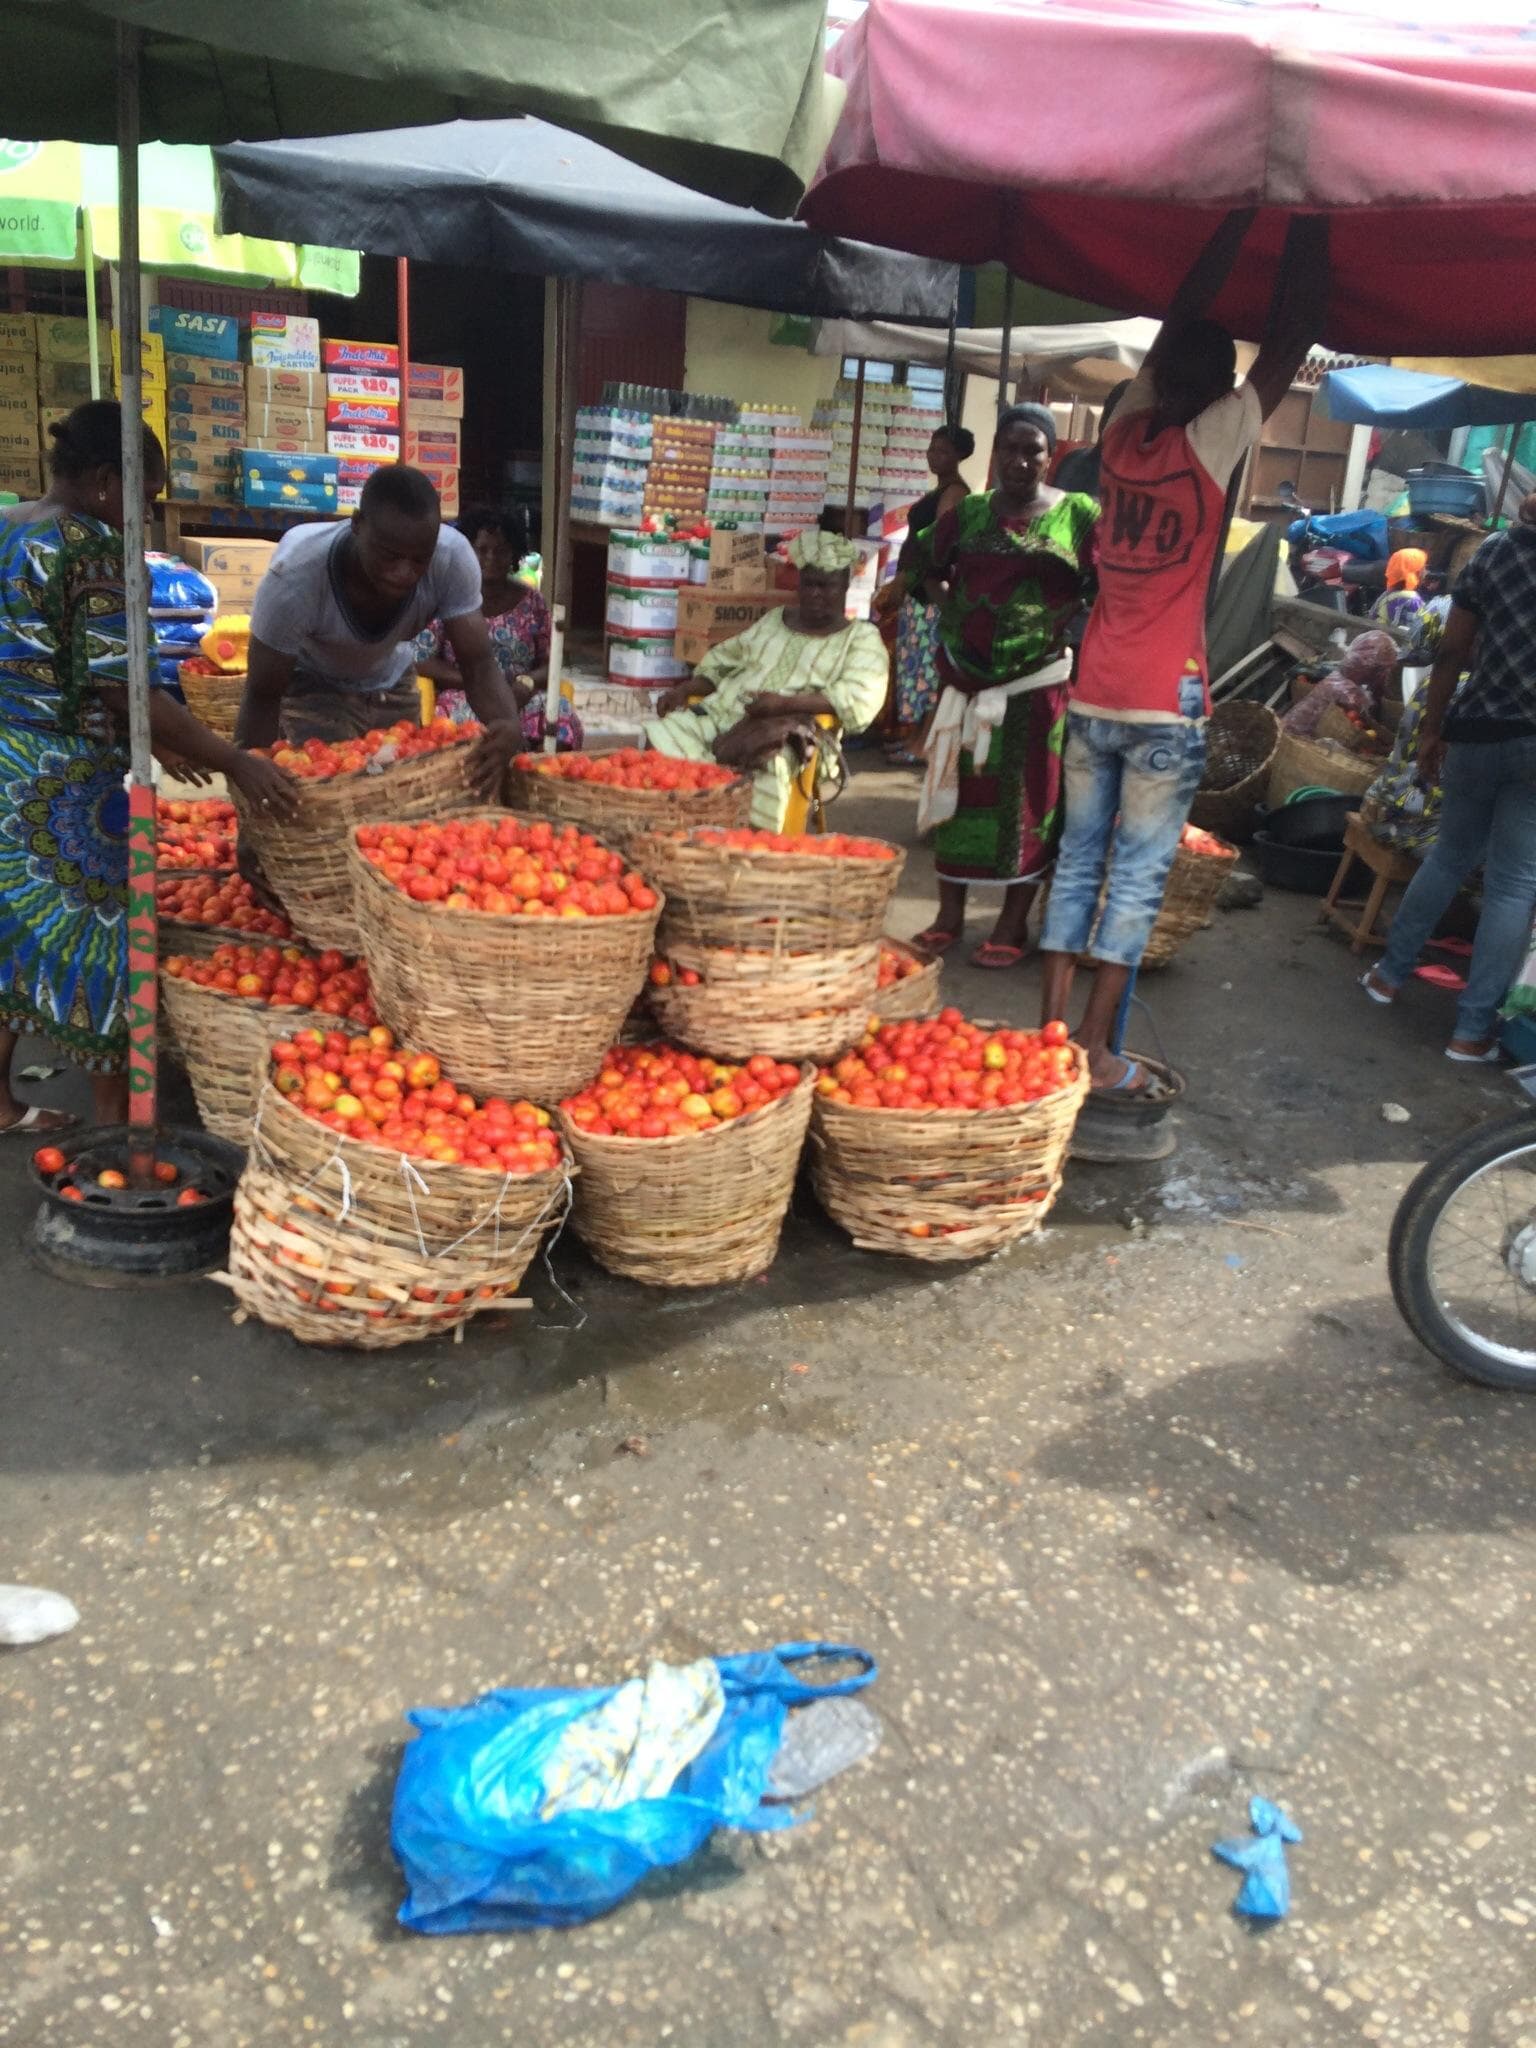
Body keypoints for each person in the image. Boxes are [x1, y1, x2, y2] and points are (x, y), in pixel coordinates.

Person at [1040, 210, 1331, 1088]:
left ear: (1162, 376)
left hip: (1094, 691)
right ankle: (1096, 1049)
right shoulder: (1214, 442)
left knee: (1077, 863)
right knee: (1135, 877)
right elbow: (1293, 337)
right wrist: (1310, 221)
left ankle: (1050, 1038)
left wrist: (1233, 224)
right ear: (1219, 389)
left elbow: (1176, 324)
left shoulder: (1122, 433)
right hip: (1166, 703)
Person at [0, 401, 295, 1134]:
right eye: (147, 495)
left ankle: (0, 1102)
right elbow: (121, 685)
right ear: (108, 479)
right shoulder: (94, 549)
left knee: (11, 934)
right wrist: (232, 759)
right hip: (67, 787)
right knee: (99, 943)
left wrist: (157, 742)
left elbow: (55, 663)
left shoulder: (8, 527)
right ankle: (114, 1127)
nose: (147, 514)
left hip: (7, 763)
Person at [906, 404, 1098, 968]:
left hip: (1036, 688)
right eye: (1009, 449)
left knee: (1031, 804)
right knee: (957, 796)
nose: (1019, 461)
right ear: (994, 454)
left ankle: (1012, 925)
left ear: (1051, 456)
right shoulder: (968, 514)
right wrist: (951, 611)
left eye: (1032, 450)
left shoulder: (1079, 516)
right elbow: (921, 562)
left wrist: (1070, 627)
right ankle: (949, 916)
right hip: (965, 682)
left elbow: (1104, 585)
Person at [1361, 493, 1536, 1060]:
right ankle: (1471, 1031)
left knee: (1449, 856)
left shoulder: (1495, 553)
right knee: (1513, 885)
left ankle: (1388, 976)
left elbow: (1452, 652)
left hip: (1478, 730)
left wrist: (1433, 730)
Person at [239, 464, 523, 795]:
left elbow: (478, 665)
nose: (404, 572)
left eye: (419, 560)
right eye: (389, 556)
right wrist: (250, 793)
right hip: (315, 684)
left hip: (393, 678)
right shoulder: (294, 578)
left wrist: (508, 727)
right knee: (335, 795)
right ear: (357, 524)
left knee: (402, 793)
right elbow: (262, 693)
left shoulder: (451, 558)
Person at [645, 530, 887, 831]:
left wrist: (782, 705)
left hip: (790, 734)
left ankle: (752, 842)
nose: (815, 594)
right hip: (723, 716)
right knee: (663, 734)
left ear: (845, 587)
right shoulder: (776, 619)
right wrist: (686, 689)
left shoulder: (861, 639)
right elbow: (723, 661)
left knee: (772, 762)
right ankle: (683, 825)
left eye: (826, 586)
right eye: (809, 584)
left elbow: (859, 697)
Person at [413, 504, 581, 751]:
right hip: (466, 694)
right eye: (482, 550)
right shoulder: (450, 597)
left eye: (501, 551)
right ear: (467, 552)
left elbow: (551, 662)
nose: (491, 558)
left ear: (514, 554)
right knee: (459, 723)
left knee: (559, 713)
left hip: (521, 694)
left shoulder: (532, 601)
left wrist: (527, 683)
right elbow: (421, 660)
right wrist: (476, 682)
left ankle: (537, 770)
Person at [878, 424, 975, 762]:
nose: (935, 456)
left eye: (943, 451)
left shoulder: (955, 492)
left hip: (931, 593)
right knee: (918, 667)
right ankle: (915, 739)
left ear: (959, 456)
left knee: (930, 671)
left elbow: (940, 545)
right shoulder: (942, 489)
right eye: (933, 449)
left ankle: (924, 745)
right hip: (919, 590)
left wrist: (911, 577)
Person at [1280, 628, 1398, 737]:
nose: (1383, 675)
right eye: (1382, 670)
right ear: (1371, 668)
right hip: (1295, 740)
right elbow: (1366, 722)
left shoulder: (1337, 678)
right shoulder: (1349, 695)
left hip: (1287, 728)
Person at [1051, 379, 1133, 499]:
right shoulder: (1071, 461)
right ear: (1105, 407)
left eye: (1122, 417)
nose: (1112, 421)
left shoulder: (1134, 480)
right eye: (1110, 411)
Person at [1373, 547, 1428, 634]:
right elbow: (1413, 633)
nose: (1426, 572)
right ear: (1416, 572)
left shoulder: (1388, 593)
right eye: (1423, 568)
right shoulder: (1411, 600)